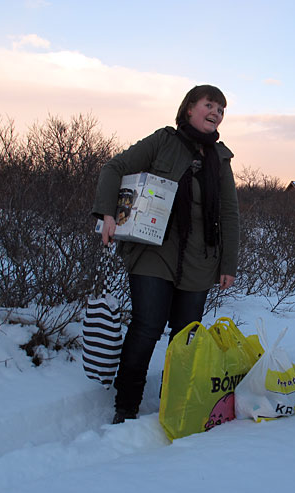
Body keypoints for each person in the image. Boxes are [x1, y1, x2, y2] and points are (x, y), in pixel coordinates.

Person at [92, 85, 239, 424]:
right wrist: (108, 214)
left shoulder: (220, 158)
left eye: (221, 109)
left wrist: (227, 263)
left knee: (185, 335)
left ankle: (172, 404)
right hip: (153, 250)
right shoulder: (163, 141)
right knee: (147, 325)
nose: (216, 112)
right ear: (189, 108)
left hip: (200, 258)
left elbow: (230, 214)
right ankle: (126, 406)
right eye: (209, 105)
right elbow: (114, 168)